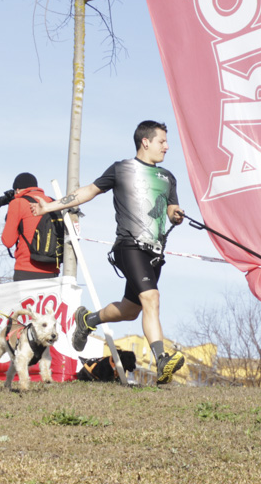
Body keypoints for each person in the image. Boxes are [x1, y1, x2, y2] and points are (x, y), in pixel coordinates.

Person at [32, 120, 186, 384]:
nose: (167, 147)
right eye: (162, 141)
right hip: (129, 246)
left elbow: (172, 209)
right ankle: (161, 360)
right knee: (151, 298)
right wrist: (49, 207)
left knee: (131, 310)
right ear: (145, 142)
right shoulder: (121, 169)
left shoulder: (168, 177)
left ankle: (88, 319)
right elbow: (88, 192)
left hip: (155, 253)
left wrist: (176, 215)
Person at [1, 172, 60, 281]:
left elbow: (8, 241)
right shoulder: (53, 203)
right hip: (53, 270)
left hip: (26, 269)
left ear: (17, 190)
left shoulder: (18, 203)